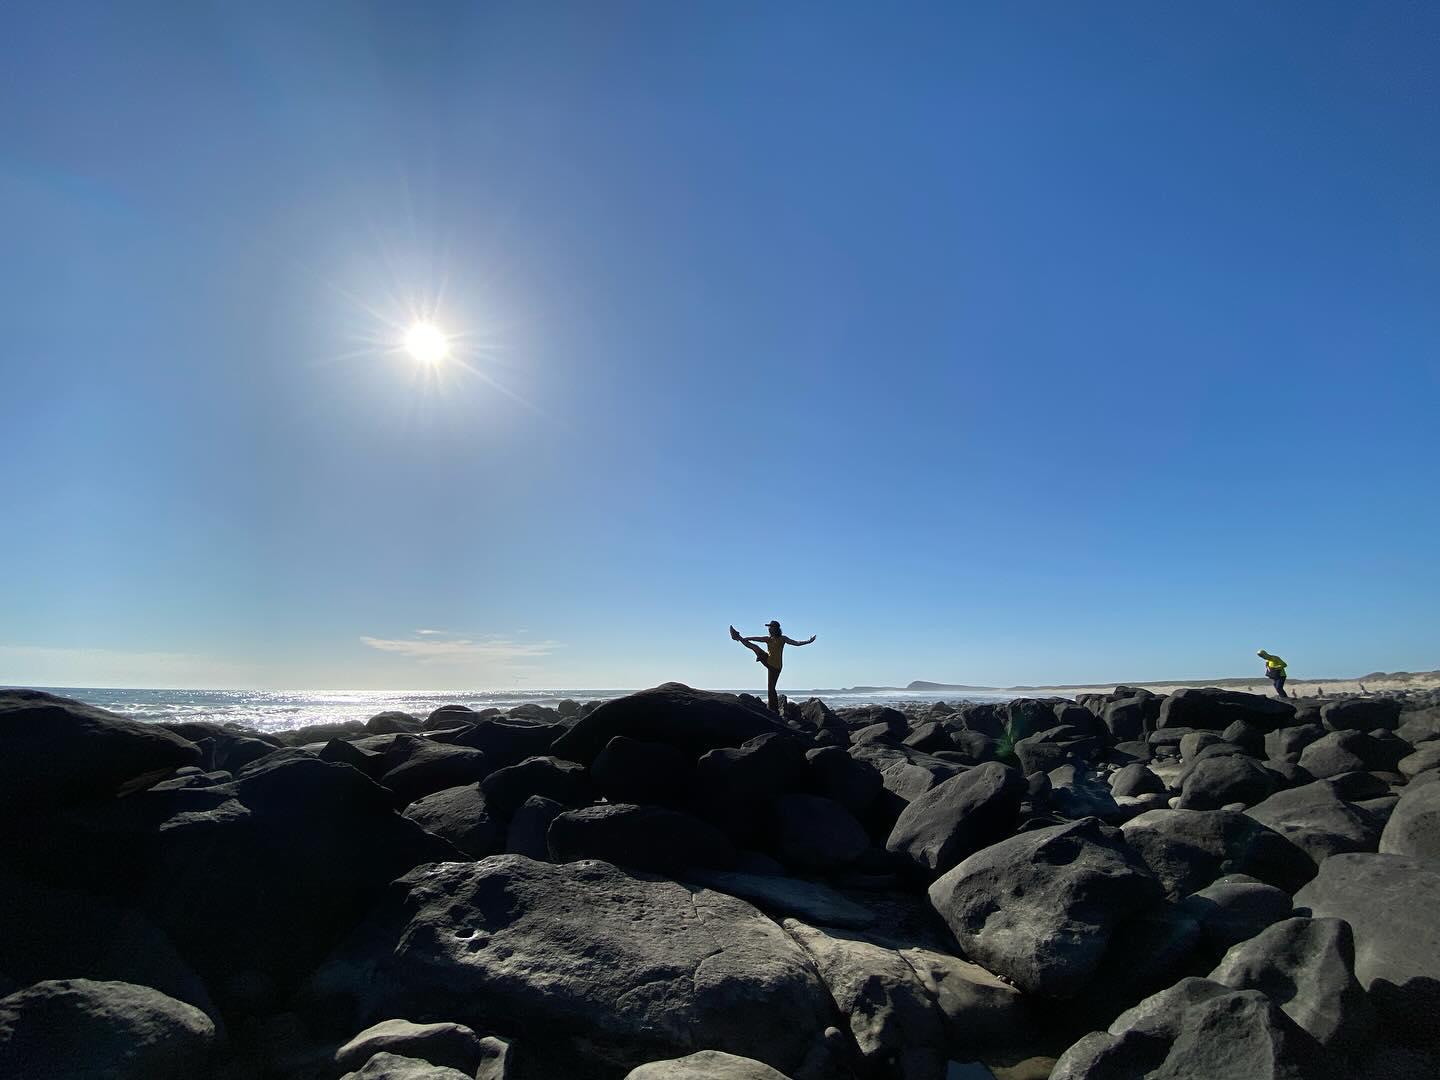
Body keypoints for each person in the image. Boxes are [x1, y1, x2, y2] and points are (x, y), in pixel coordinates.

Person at [731, 620, 816, 712]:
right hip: (768, 660)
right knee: (755, 647)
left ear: (776, 628)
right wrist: (744, 639)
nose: (769, 628)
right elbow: (756, 638)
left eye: (771, 627)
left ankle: (773, 709)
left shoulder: (782, 639)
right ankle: (737, 637)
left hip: (776, 667)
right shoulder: (768, 639)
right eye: (769, 627)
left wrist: (808, 641)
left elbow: (796, 643)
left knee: (771, 688)